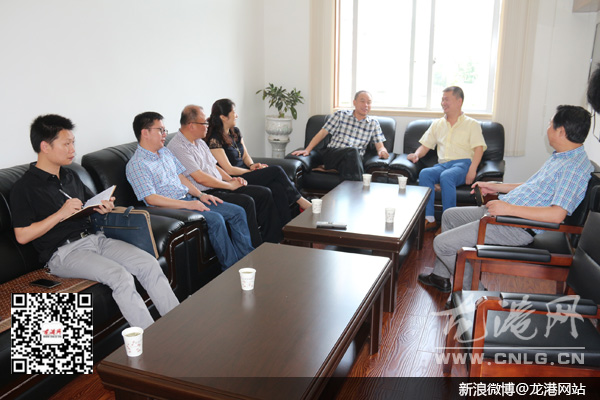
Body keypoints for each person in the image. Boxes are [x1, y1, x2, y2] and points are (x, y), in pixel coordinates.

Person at [10, 114, 179, 330]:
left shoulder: (70, 176)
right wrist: (60, 214)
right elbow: (22, 235)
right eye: (67, 144)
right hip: (63, 253)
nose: (73, 149)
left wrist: (104, 205)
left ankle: (178, 327)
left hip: (96, 240)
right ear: (45, 146)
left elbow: (91, 203)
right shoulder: (24, 188)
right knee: (120, 276)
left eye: (73, 143)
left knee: (148, 264)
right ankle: (151, 340)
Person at [418, 105, 593, 293]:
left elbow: (557, 215)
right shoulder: (561, 157)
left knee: (441, 244)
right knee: (450, 216)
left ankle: (474, 294)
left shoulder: (573, 168)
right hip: (506, 213)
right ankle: (441, 276)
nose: (547, 129)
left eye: (550, 124)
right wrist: (495, 187)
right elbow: (531, 187)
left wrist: (508, 209)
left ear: (561, 131)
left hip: (516, 226)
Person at [126, 111, 253, 271]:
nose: (165, 134)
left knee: (237, 212)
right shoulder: (137, 164)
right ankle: (232, 269)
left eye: (164, 130)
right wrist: (189, 205)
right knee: (216, 219)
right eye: (160, 130)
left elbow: (181, 176)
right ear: (145, 132)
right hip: (169, 208)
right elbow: (151, 199)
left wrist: (200, 195)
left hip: (189, 199)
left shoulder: (165, 152)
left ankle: (247, 264)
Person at [168, 105, 283, 245]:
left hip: (219, 186)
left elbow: (214, 166)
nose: (207, 126)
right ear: (191, 125)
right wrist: (229, 186)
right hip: (206, 192)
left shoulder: (199, 141)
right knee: (247, 202)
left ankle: (273, 242)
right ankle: (256, 248)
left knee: (264, 193)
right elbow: (200, 178)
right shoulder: (178, 147)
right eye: (204, 123)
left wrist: (231, 179)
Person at [206, 98, 311, 225]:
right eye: (233, 112)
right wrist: (250, 171)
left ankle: (287, 227)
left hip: (246, 172)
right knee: (276, 170)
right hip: (235, 178)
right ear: (223, 117)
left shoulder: (235, 132)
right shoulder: (214, 139)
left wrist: (252, 165)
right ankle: (301, 201)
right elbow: (228, 169)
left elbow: (245, 155)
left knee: (276, 187)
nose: (236, 115)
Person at [407, 86, 487, 231]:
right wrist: (416, 154)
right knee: (425, 173)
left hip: (463, 164)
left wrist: (472, 170)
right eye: (442, 100)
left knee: (447, 176)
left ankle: (449, 224)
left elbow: (479, 149)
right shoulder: (437, 124)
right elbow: (425, 146)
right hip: (443, 165)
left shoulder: (472, 124)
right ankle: (429, 219)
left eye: (446, 99)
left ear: (459, 101)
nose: (443, 103)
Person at [291, 90, 389, 181]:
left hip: (354, 160)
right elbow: (322, 133)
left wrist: (383, 152)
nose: (366, 105)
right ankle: (360, 188)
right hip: (333, 154)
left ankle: (347, 191)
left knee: (350, 160)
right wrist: (307, 149)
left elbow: (380, 147)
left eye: (369, 102)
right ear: (354, 102)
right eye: (362, 101)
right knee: (353, 151)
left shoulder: (373, 123)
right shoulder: (340, 115)